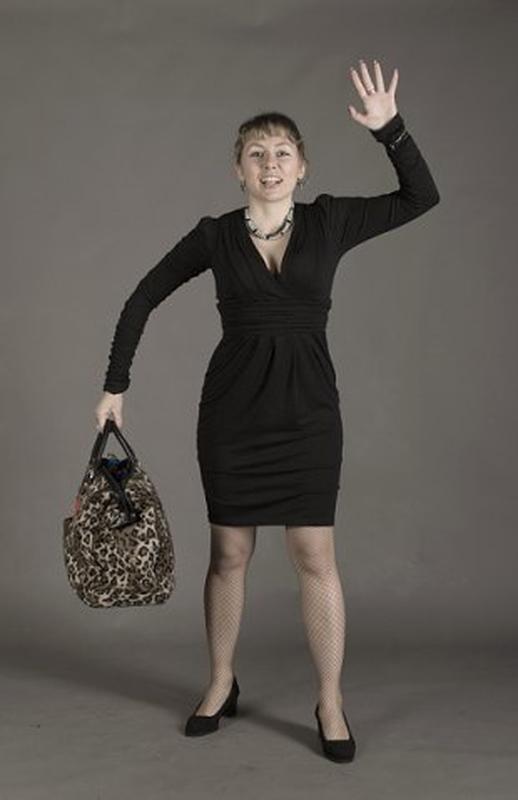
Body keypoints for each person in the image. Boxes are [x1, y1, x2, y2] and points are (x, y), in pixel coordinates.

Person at [95, 58, 440, 762]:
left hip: (309, 413)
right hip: (232, 415)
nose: (270, 164)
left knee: (315, 554)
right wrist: (115, 384)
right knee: (229, 554)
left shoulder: (331, 220)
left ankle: (329, 700)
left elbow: (419, 197)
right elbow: (142, 297)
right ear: (238, 169)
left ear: (302, 167)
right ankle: (220, 682)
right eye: (256, 153)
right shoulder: (215, 235)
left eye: (283, 152)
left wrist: (391, 130)